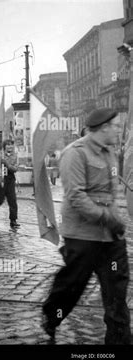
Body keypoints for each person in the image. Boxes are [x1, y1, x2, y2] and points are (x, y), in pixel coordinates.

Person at [42, 108, 131, 344]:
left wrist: (115, 219)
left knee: (117, 295)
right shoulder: (75, 154)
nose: (118, 129)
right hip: (82, 236)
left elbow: (111, 192)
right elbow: (76, 197)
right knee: (71, 286)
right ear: (103, 128)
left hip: (111, 238)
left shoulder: (109, 152)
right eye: (115, 126)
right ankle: (51, 317)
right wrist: (108, 217)